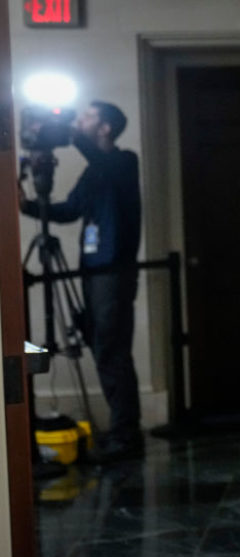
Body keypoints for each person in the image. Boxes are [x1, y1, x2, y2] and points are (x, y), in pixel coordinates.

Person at [20, 100, 144, 464]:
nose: (78, 121)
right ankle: (122, 431)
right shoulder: (93, 173)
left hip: (112, 271)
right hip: (92, 270)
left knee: (110, 349)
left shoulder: (123, 162)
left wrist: (64, 128)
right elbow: (70, 210)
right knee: (102, 346)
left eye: (87, 117)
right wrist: (26, 205)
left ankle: (125, 434)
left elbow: (99, 159)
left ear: (105, 128)